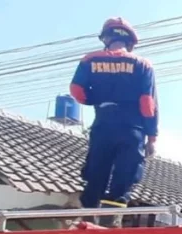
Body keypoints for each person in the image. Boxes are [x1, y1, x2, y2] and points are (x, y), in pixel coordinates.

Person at [70, 17, 159, 214]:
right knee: (124, 177)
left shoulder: (89, 60)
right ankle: (110, 223)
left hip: (103, 125)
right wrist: (151, 138)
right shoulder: (143, 64)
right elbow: (147, 104)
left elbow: (76, 91)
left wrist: (96, 99)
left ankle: (88, 217)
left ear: (106, 38)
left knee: (96, 173)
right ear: (130, 42)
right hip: (131, 129)